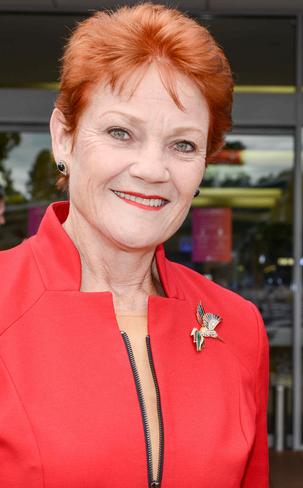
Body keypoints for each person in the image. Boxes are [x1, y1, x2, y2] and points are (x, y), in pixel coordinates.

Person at [0, 5, 268, 487]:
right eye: (121, 133)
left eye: (183, 145)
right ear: (64, 137)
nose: (152, 169)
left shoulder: (239, 326)